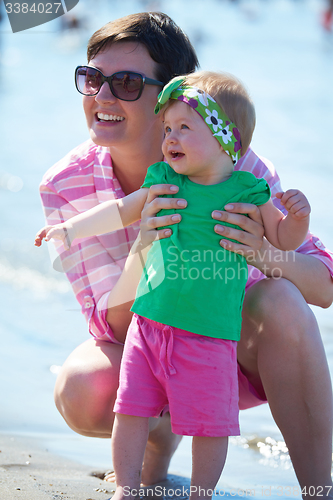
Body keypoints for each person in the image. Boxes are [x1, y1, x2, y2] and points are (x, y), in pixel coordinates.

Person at [36, 12, 333, 497]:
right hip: (150, 344)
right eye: (91, 79)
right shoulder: (64, 183)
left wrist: (263, 253)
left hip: (229, 353)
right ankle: (152, 461)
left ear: (174, 94)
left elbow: (322, 288)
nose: (102, 97)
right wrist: (145, 244)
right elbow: (109, 327)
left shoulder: (235, 167)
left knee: (282, 299)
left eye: (126, 83)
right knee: (83, 388)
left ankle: (319, 489)